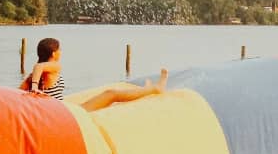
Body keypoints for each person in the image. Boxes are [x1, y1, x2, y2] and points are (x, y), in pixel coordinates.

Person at [22, 37, 168, 111]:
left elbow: (16, 94)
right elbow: (39, 66)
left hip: (58, 111)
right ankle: (156, 88)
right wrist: (35, 87)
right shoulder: (55, 67)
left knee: (103, 97)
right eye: (59, 49)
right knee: (111, 94)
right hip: (66, 116)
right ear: (54, 53)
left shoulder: (30, 77)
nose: (61, 52)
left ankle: (145, 90)